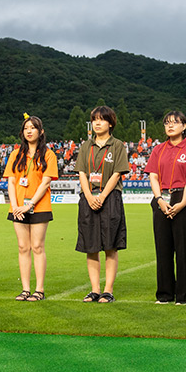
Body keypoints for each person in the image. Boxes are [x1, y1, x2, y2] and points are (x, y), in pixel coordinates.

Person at [145, 111, 186, 305]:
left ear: (184, 126)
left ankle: (183, 295)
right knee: (163, 248)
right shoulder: (158, 149)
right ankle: (164, 294)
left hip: (182, 197)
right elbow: (153, 176)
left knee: (183, 248)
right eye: (167, 123)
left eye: (175, 122)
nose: (170, 126)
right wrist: (159, 199)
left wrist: (183, 202)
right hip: (162, 198)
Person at [76, 106, 129, 303]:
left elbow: (117, 173)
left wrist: (103, 195)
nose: (97, 123)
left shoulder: (117, 145)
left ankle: (108, 290)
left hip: (110, 198)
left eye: (102, 119)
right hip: (88, 197)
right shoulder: (85, 146)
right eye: (94, 120)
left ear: (110, 123)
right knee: (91, 246)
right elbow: (81, 172)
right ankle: (94, 289)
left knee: (110, 246)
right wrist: (89, 196)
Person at [3, 115, 58, 302]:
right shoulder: (15, 154)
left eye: (33, 128)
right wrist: (15, 206)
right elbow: (11, 182)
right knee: (22, 247)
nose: (29, 131)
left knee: (37, 246)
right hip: (18, 207)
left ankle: (39, 290)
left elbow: (46, 182)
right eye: (26, 128)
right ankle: (25, 289)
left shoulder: (48, 155)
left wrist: (30, 204)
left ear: (40, 132)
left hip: (39, 206)